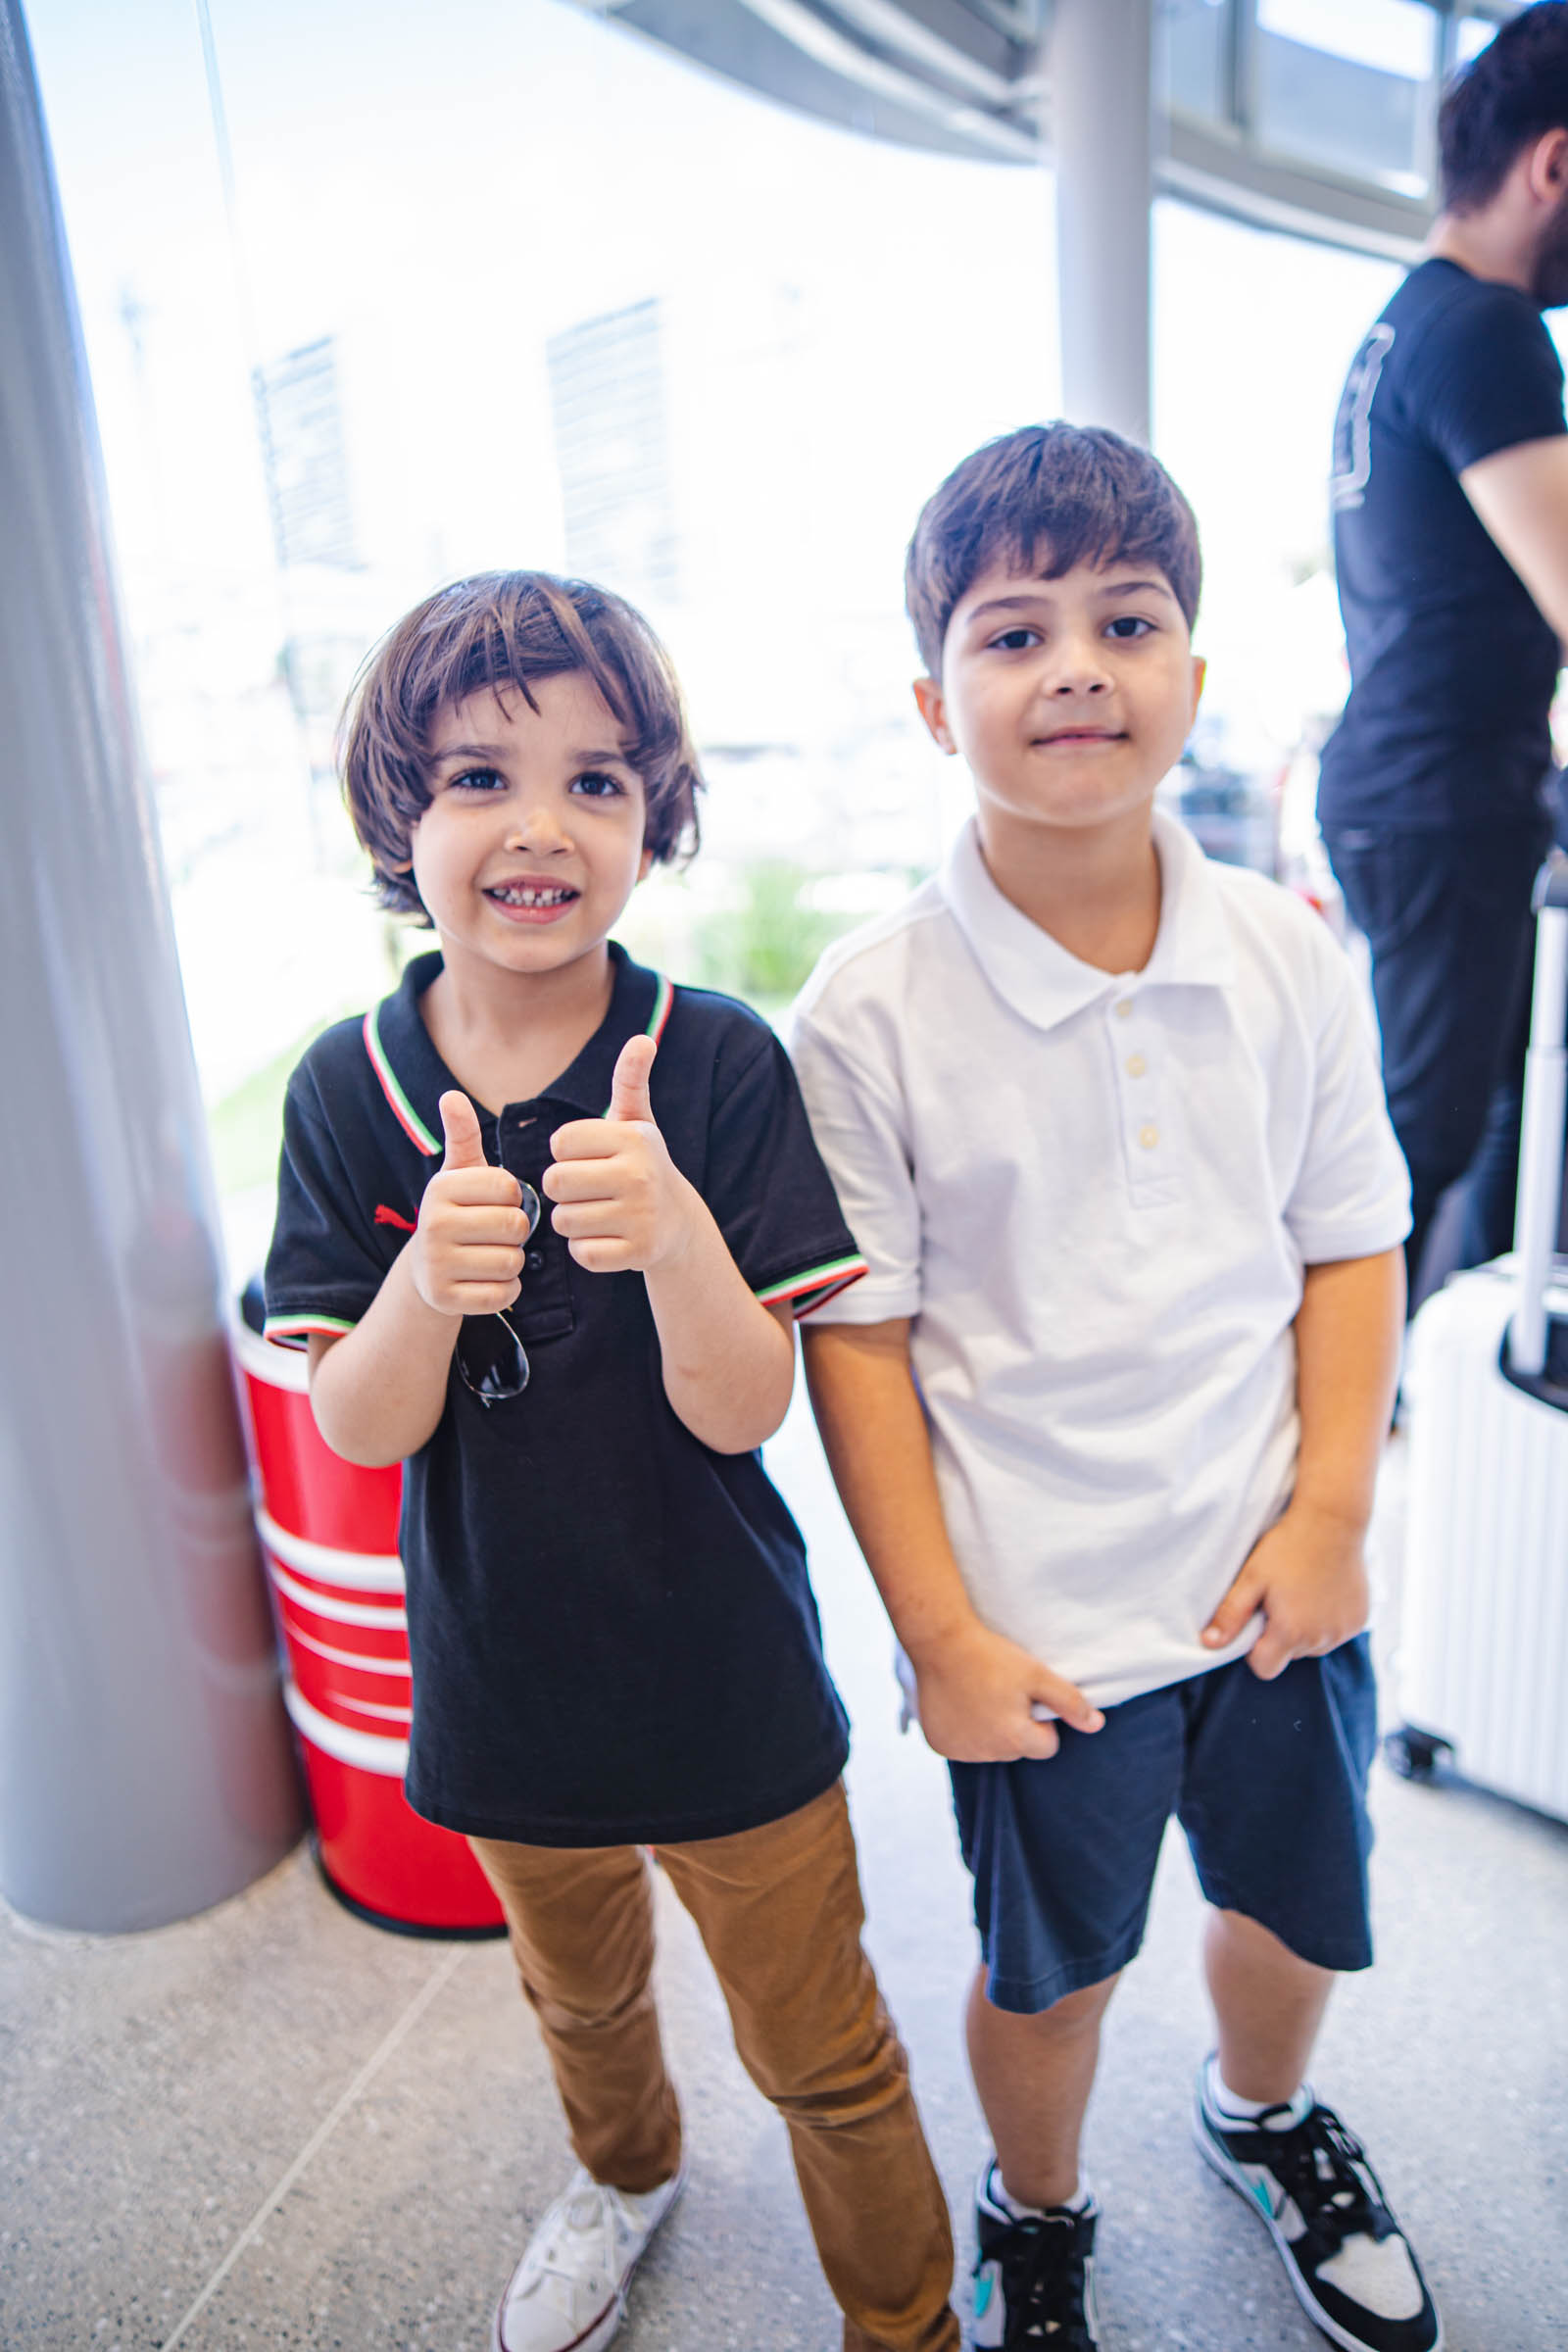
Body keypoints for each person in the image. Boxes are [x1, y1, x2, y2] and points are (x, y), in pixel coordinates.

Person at [793, 426, 1441, 2352]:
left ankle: (1262, 2116)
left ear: (1193, 676)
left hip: (1269, 1581)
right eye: (1014, 632)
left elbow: (1350, 1244)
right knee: (1049, 1976)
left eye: (1126, 621)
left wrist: (1332, 1517)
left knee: (1295, 1914)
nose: (1076, 665)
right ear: (935, 704)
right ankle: (1039, 2208)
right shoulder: (868, 1007)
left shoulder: (1288, 954)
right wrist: (937, 1636)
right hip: (1039, 1624)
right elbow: (859, 1342)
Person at [262, 571, 959, 2352]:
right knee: (581, 2007)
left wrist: (674, 1237)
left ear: (656, 817)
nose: (539, 824)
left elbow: (747, 1406)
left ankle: (909, 2324)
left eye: (595, 779)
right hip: (501, 1687)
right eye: (477, 777)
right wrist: (426, 1284)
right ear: (398, 816)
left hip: (727, 1679)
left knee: (825, 2054)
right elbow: (358, 1423)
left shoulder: (712, 1060)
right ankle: (625, 2176)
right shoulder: (343, 1090)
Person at [1321, 0, 1568, 1301]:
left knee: (1485, 1121)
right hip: (1441, 799)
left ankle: (1446, 1368)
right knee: (1419, 1147)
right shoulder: (1487, 330)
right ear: (1556, 163)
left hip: (1413, 789)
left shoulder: (1405, 325)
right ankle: (1330, 1403)